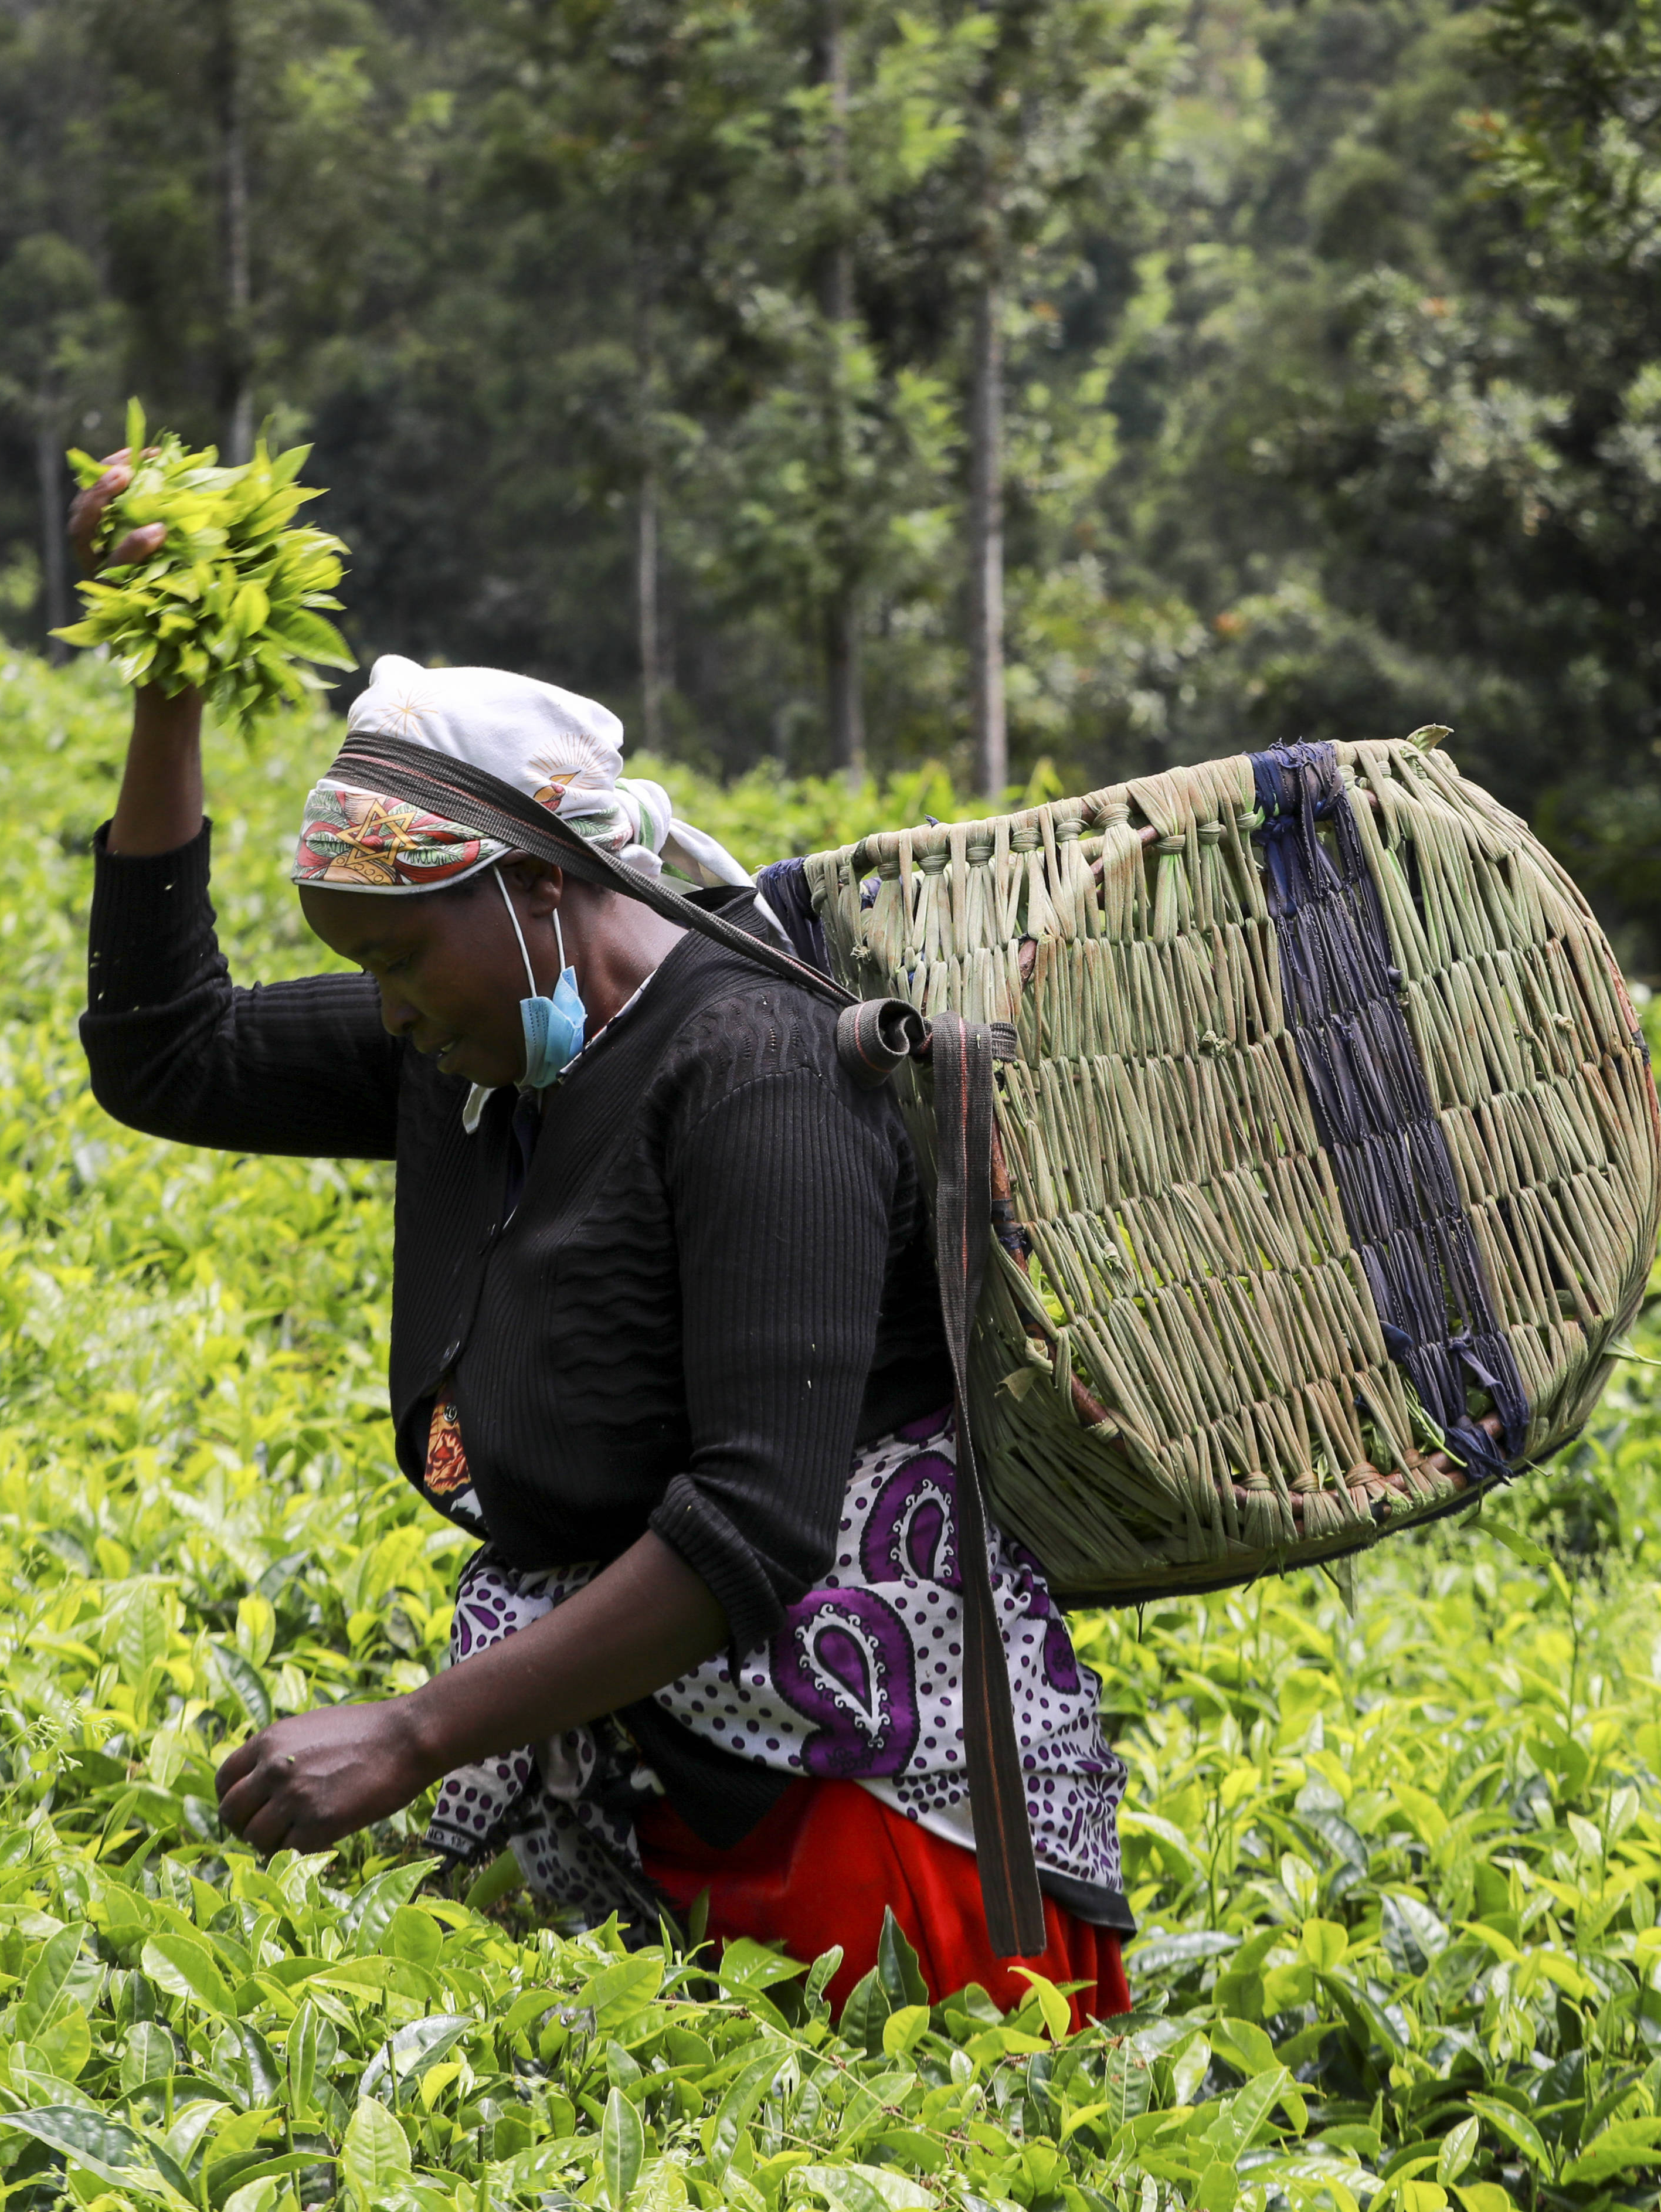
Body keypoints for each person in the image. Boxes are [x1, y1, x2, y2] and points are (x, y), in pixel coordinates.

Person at [68, 464, 1130, 2018]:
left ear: (541, 890)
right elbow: (167, 1053)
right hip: (620, 1764)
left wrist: (419, 1730)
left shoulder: (766, 1070)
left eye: (396, 956)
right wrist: (168, 685)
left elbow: (752, 1526)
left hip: (861, 1814)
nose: (385, 1010)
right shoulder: (479, 1039)